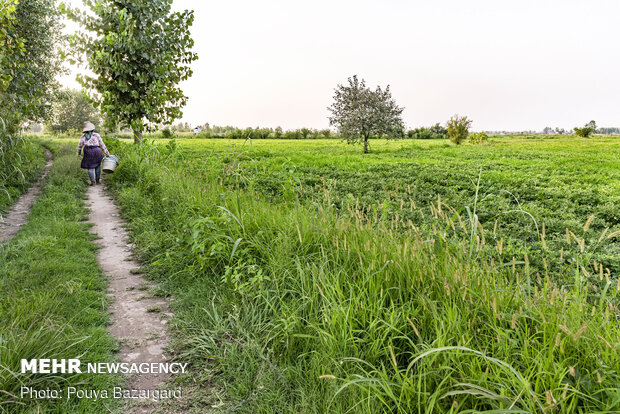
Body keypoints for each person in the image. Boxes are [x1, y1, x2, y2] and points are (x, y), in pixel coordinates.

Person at [77, 121, 111, 185]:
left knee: (90, 166)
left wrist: (79, 154)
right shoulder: (96, 135)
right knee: (98, 165)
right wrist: (107, 153)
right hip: (97, 151)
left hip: (88, 152)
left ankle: (93, 181)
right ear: (93, 129)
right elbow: (102, 144)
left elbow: (80, 146)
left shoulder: (83, 137)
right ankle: (97, 180)